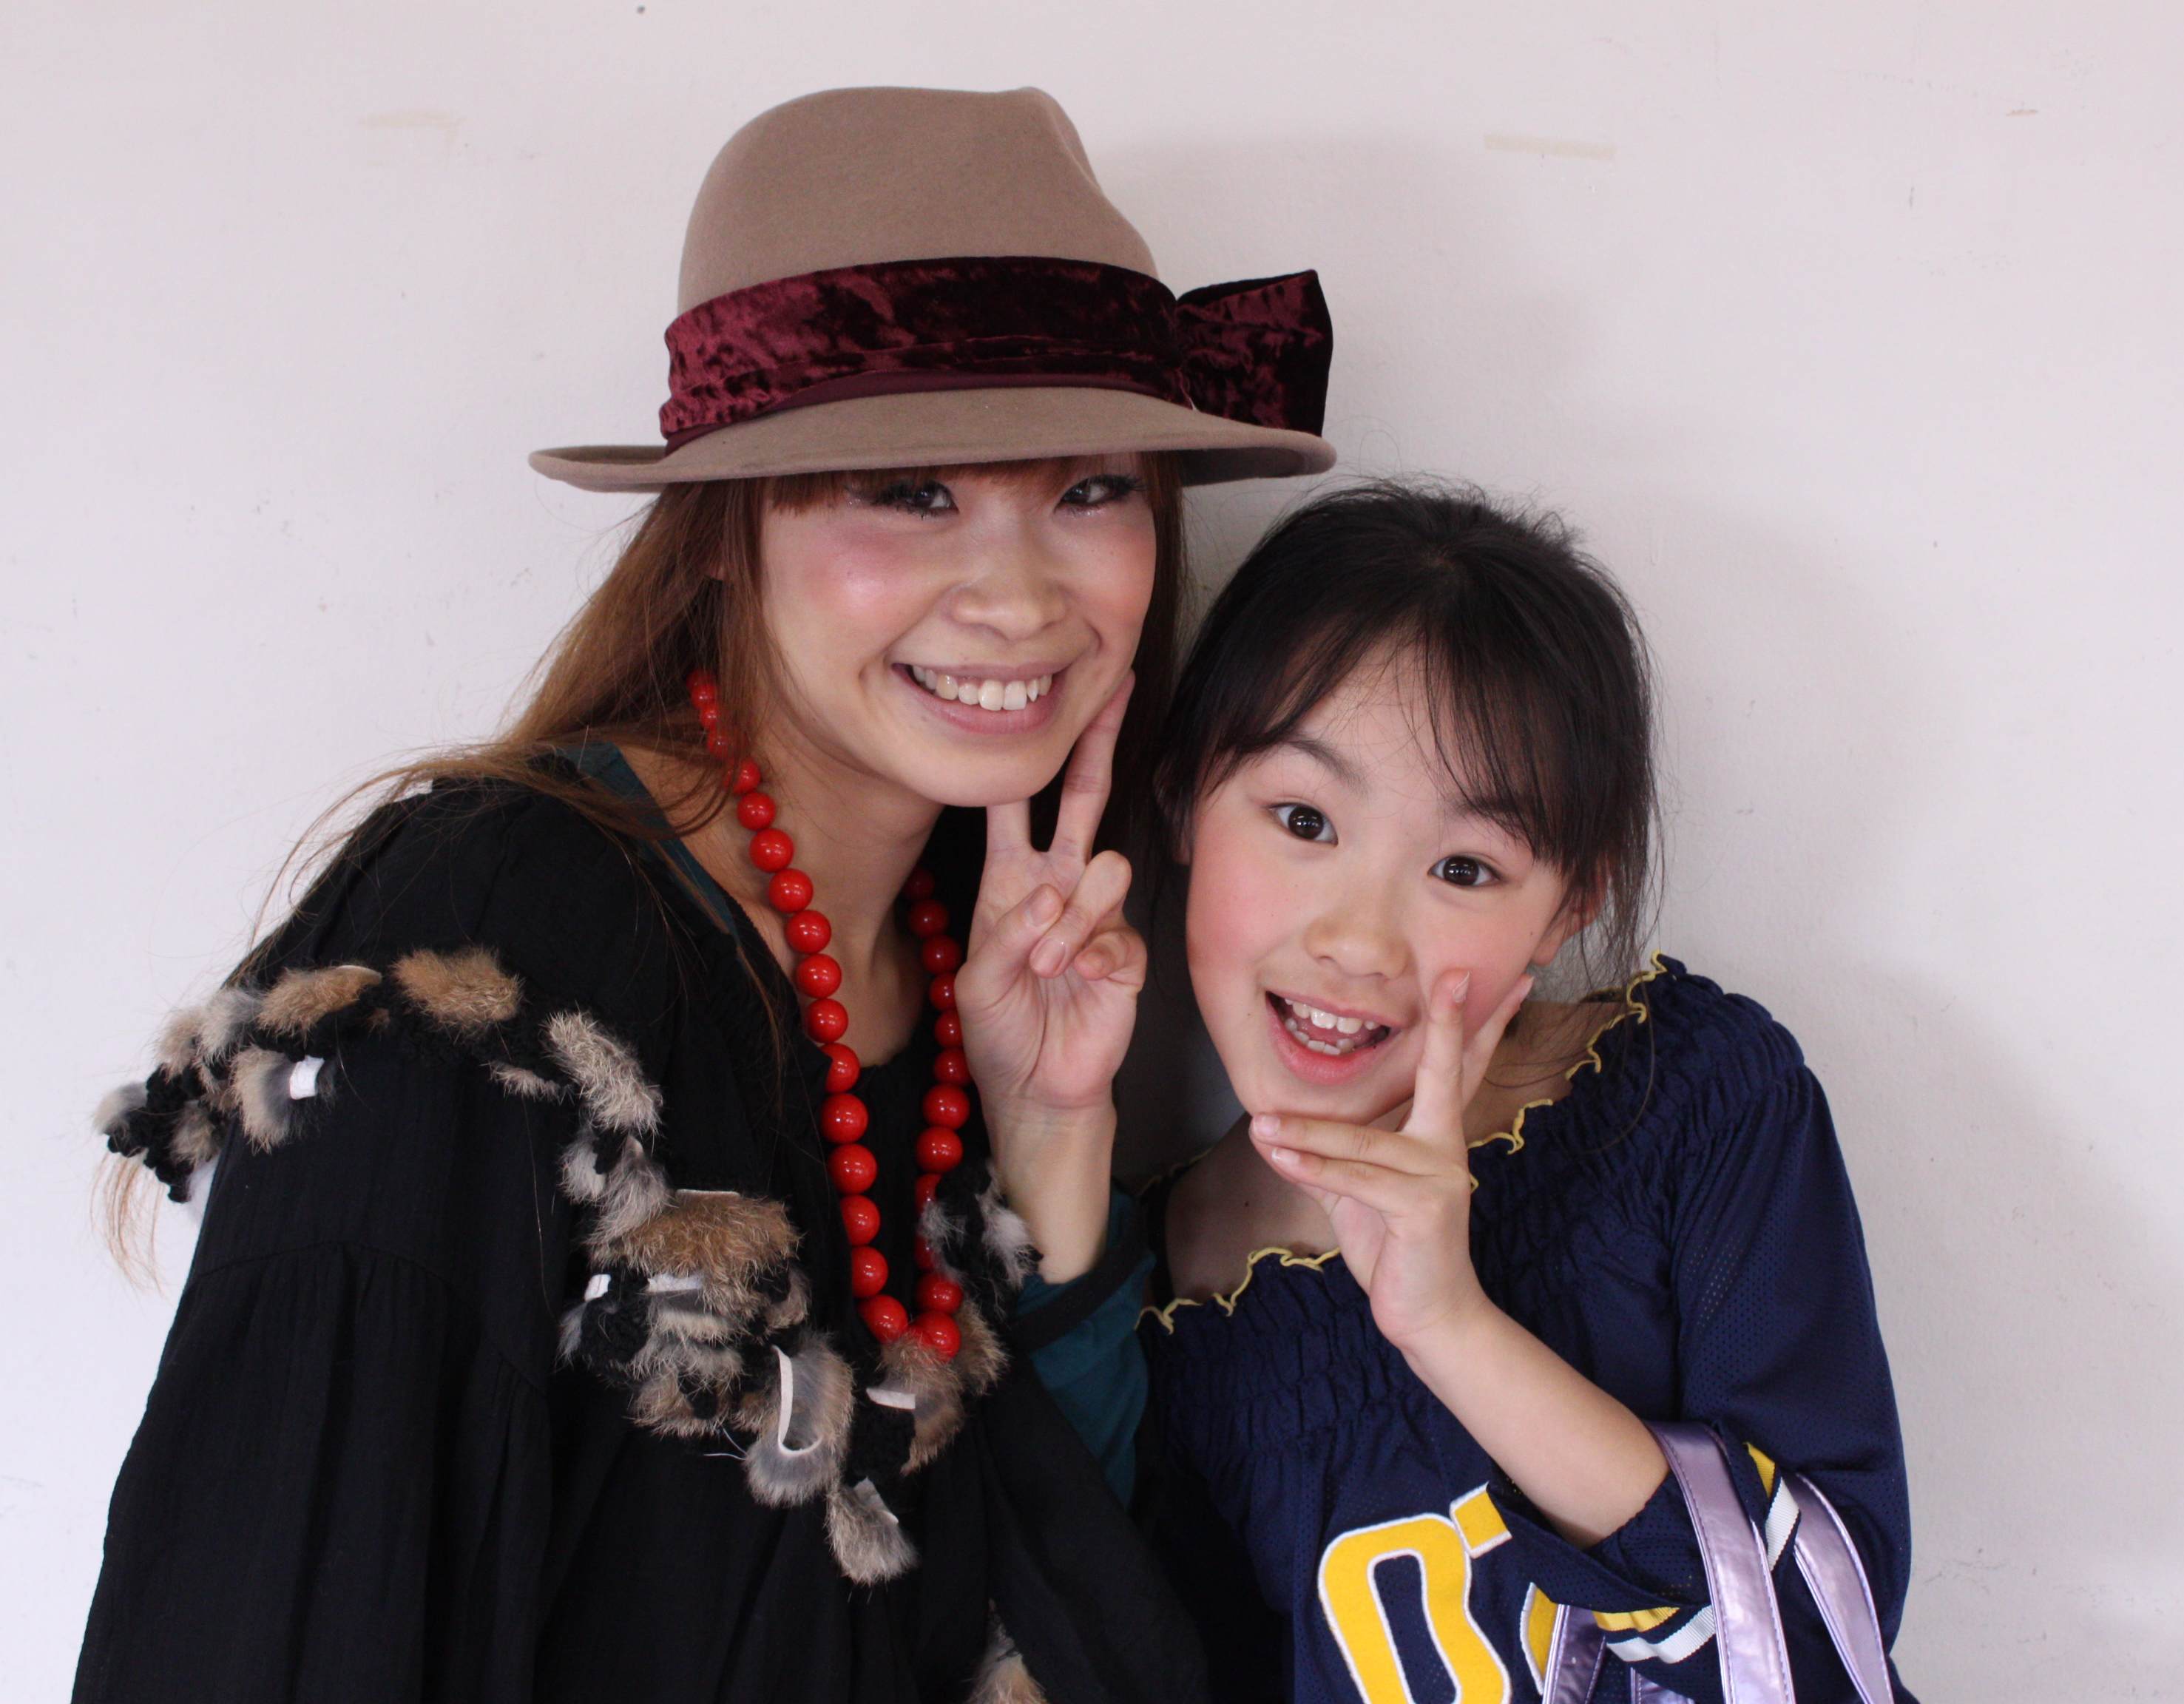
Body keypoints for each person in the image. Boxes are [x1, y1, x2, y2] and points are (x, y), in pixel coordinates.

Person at [79, 87, 1333, 1704]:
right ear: (726, 531)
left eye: (1092, 490)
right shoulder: (492, 941)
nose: (1023, 596)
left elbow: (1045, 1602)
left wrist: (1053, 1136)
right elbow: (275, 1621)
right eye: (914, 489)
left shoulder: (992, 934)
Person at [1140, 484, 1919, 1703]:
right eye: (1303, 819)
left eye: (1464, 868)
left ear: (1569, 908)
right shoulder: (1160, 1303)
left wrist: (1454, 1328)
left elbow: (1824, 1649)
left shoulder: (1686, 1105)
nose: (1359, 941)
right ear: (1184, 795)